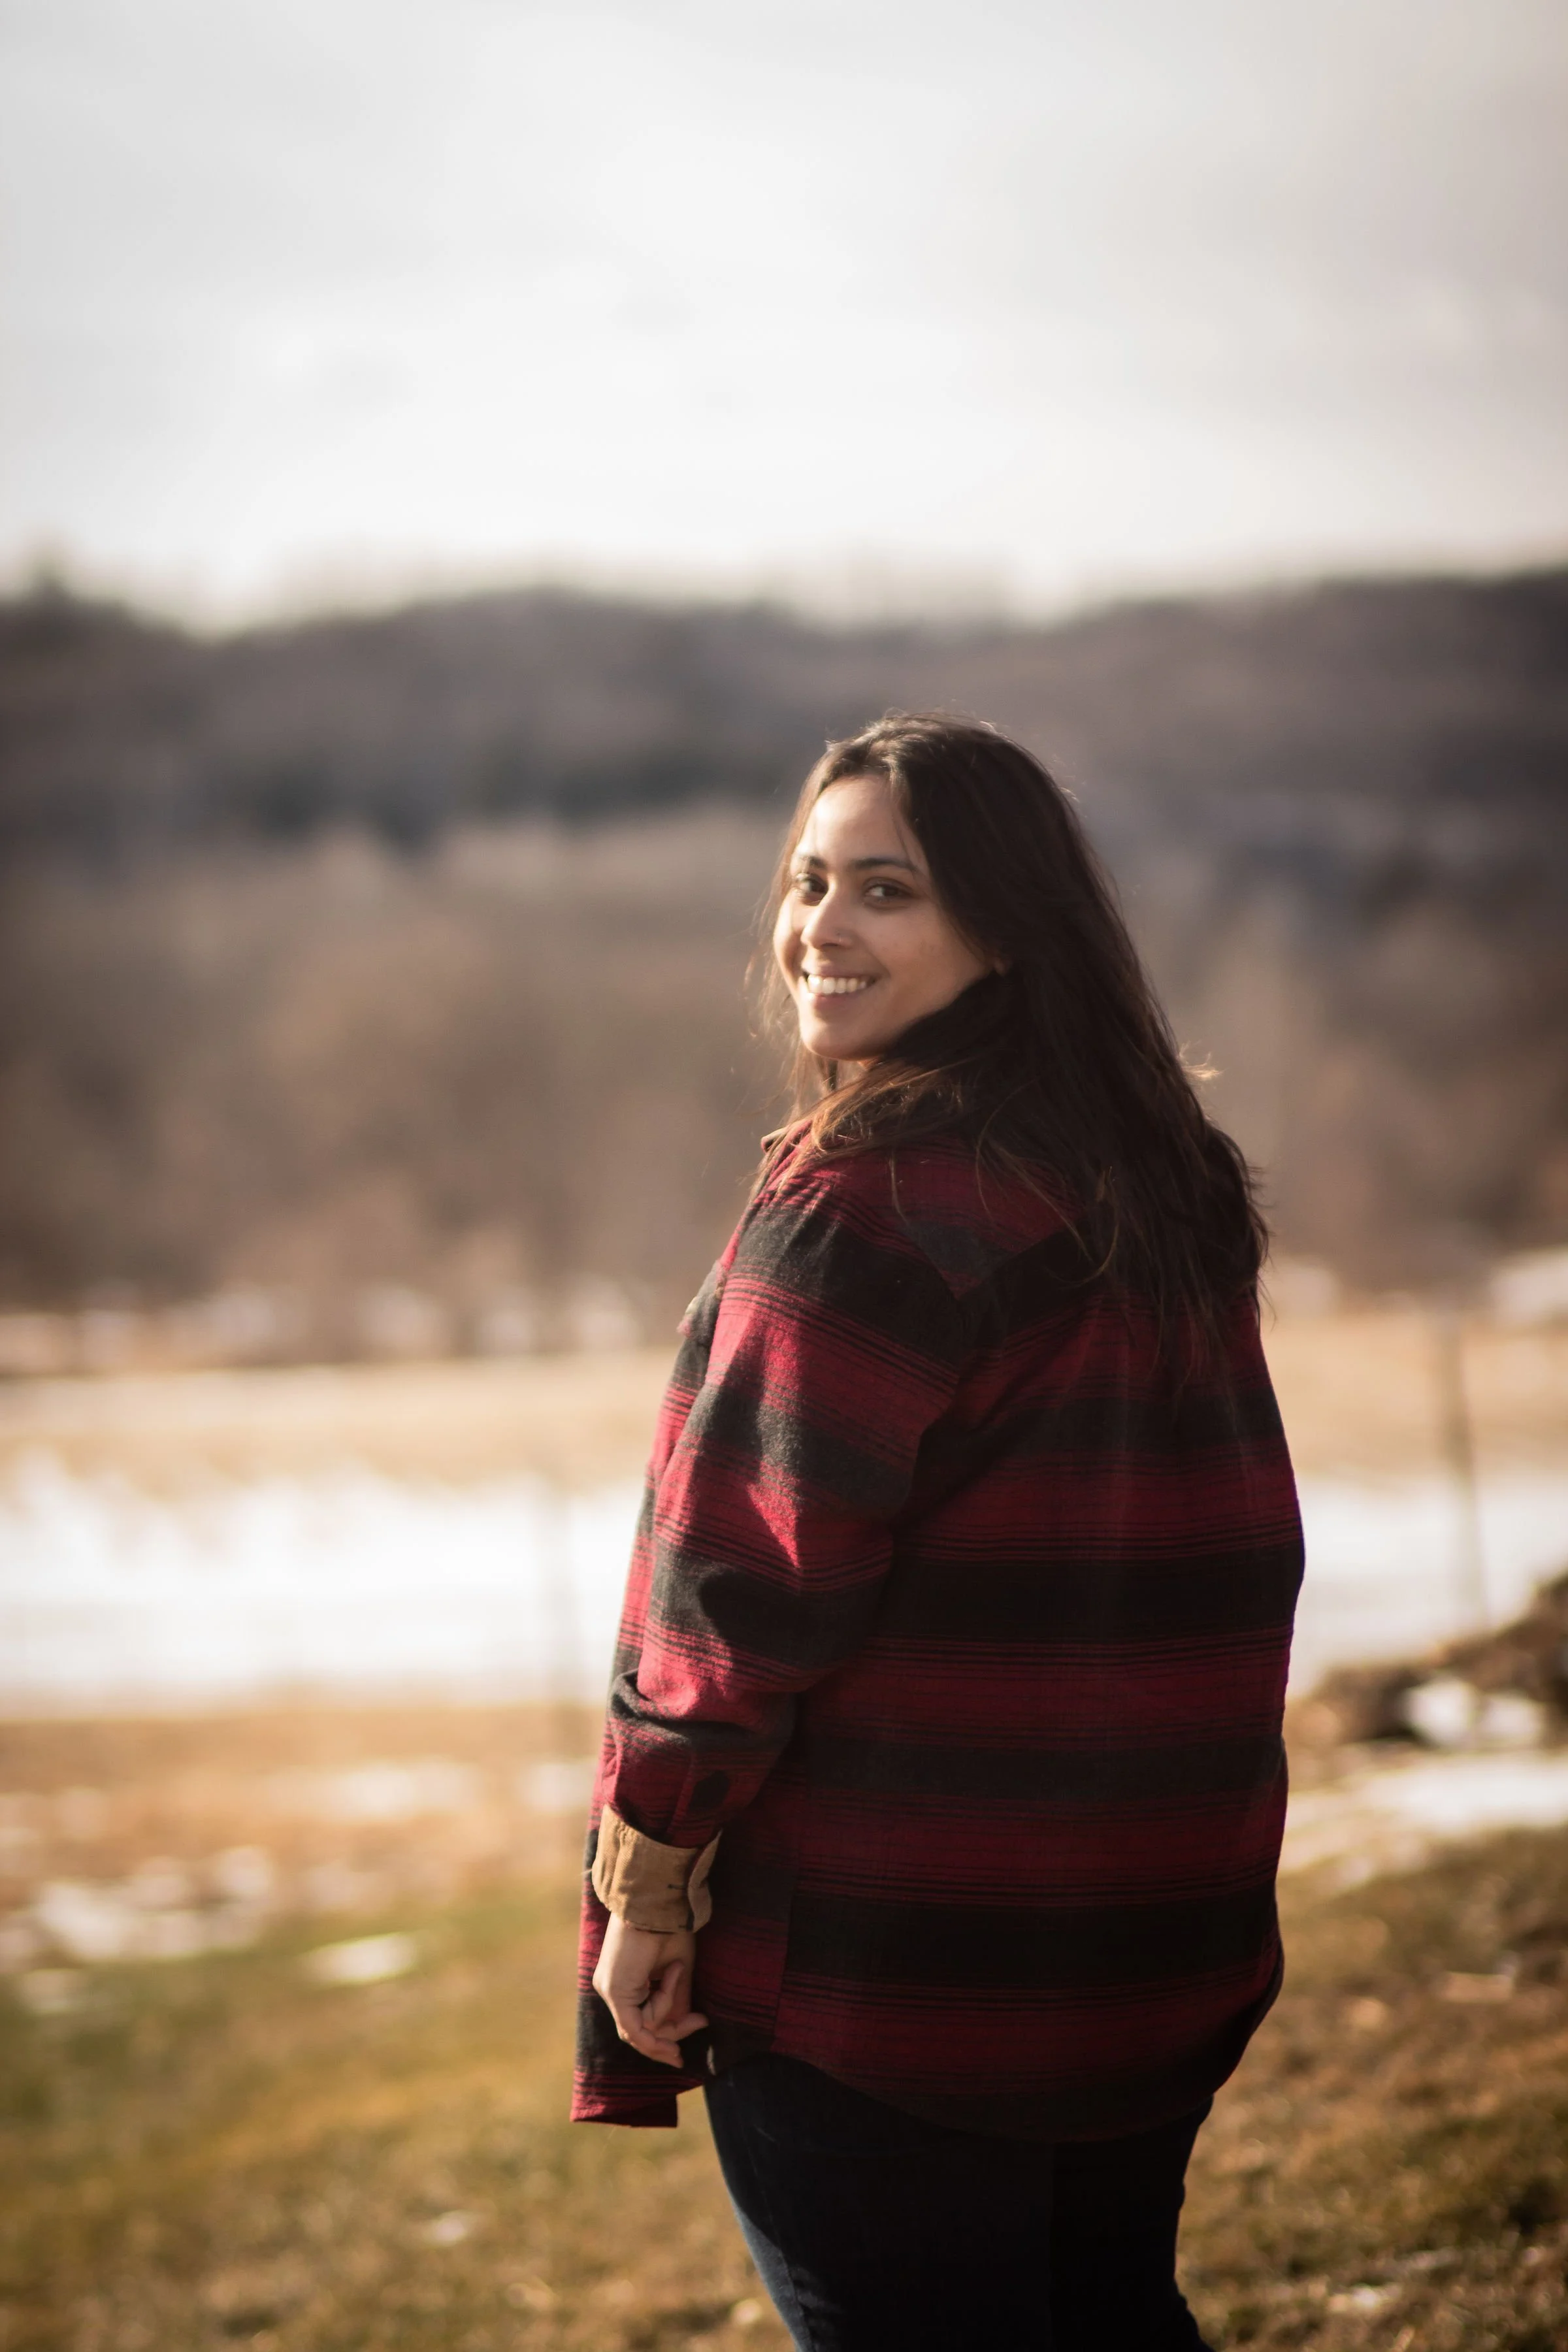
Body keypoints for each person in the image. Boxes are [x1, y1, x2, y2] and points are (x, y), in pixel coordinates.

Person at [573, 714, 1303, 2350]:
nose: (822, 928)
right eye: (808, 880)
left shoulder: (867, 1209)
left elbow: (733, 1609)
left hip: (896, 1978)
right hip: (1139, 1950)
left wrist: (652, 1892)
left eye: (886, 889)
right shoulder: (1149, 1174)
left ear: (1003, 922)